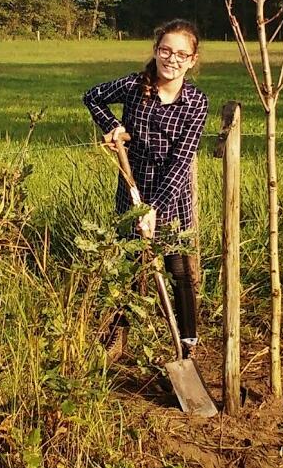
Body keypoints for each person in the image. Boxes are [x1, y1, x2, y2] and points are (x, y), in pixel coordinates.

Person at [82, 19, 209, 358]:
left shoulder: (196, 103)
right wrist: (114, 128)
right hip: (132, 189)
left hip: (171, 196)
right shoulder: (136, 85)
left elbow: (182, 162)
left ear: (193, 60)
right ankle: (116, 335)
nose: (173, 59)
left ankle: (187, 344)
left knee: (178, 269)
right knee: (125, 264)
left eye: (182, 54)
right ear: (155, 51)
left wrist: (155, 209)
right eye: (166, 50)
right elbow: (92, 96)